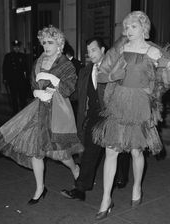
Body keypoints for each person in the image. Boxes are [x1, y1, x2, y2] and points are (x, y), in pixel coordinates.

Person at [92, 11, 170, 220]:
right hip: (118, 102)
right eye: (127, 27)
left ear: (144, 28)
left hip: (140, 105)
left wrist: (167, 68)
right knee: (111, 150)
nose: (128, 31)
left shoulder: (154, 51)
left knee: (136, 152)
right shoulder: (119, 49)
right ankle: (105, 199)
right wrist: (114, 75)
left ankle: (137, 186)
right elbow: (102, 74)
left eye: (133, 27)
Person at [0, 25, 83, 205]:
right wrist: (36, 93)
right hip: (39, 111)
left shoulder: (65, 64)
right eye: (44, 42)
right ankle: (40, 188)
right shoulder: (39, 61)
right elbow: (32, 84)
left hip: (58, 112)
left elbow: (70, 88)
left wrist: (55, 83)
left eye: (50, 42)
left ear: (59, 44)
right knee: (36, 151)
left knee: (61, 153)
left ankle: (75, 169)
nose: (46, 46)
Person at [60, 37, 130, 201]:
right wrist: (60, 91)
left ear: (103, 50)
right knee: (89, 151)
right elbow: (78, 94)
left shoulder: (114, 66)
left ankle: (121, 176)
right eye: (88, 51)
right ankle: (80, 188)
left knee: (118, 150)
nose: (90, 54)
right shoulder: (85, 71)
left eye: (93, 50)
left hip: (112, 115)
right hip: (93, 116)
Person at [2, 40, 28, 114]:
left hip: (21, 80)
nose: (16, 48)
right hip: (12, 80)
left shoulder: (22, 56)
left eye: (18, 47)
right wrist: (5, 79)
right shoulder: (8, 56)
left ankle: (23, 112)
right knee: (13, 97)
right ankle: (15, 112)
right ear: (13, 47)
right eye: (15, 47)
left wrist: (26, 78)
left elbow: (26, 68)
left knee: (22, 97)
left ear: (19, 48)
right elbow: (5, 68)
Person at [63, 42, 84, 119]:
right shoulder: (78, 63)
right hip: (76, 97)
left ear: (66, 54)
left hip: (72, 97)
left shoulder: (69, 65)